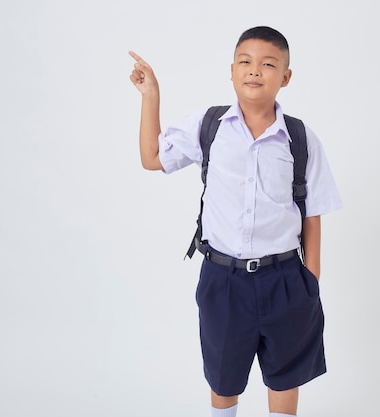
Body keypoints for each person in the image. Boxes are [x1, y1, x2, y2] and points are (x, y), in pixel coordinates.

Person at [128, 26, 342, 417]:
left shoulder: (299, 138)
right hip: (223, 280)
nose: (254, 71)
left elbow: (313, 214)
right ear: (231, 71)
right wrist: (151, 96)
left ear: (286, 77)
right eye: (245, 62)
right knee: (223, 379)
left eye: (267, 64)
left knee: (285, 377)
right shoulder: (209, 127)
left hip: (285, 281)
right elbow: (151, 158)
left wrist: (310, 279)